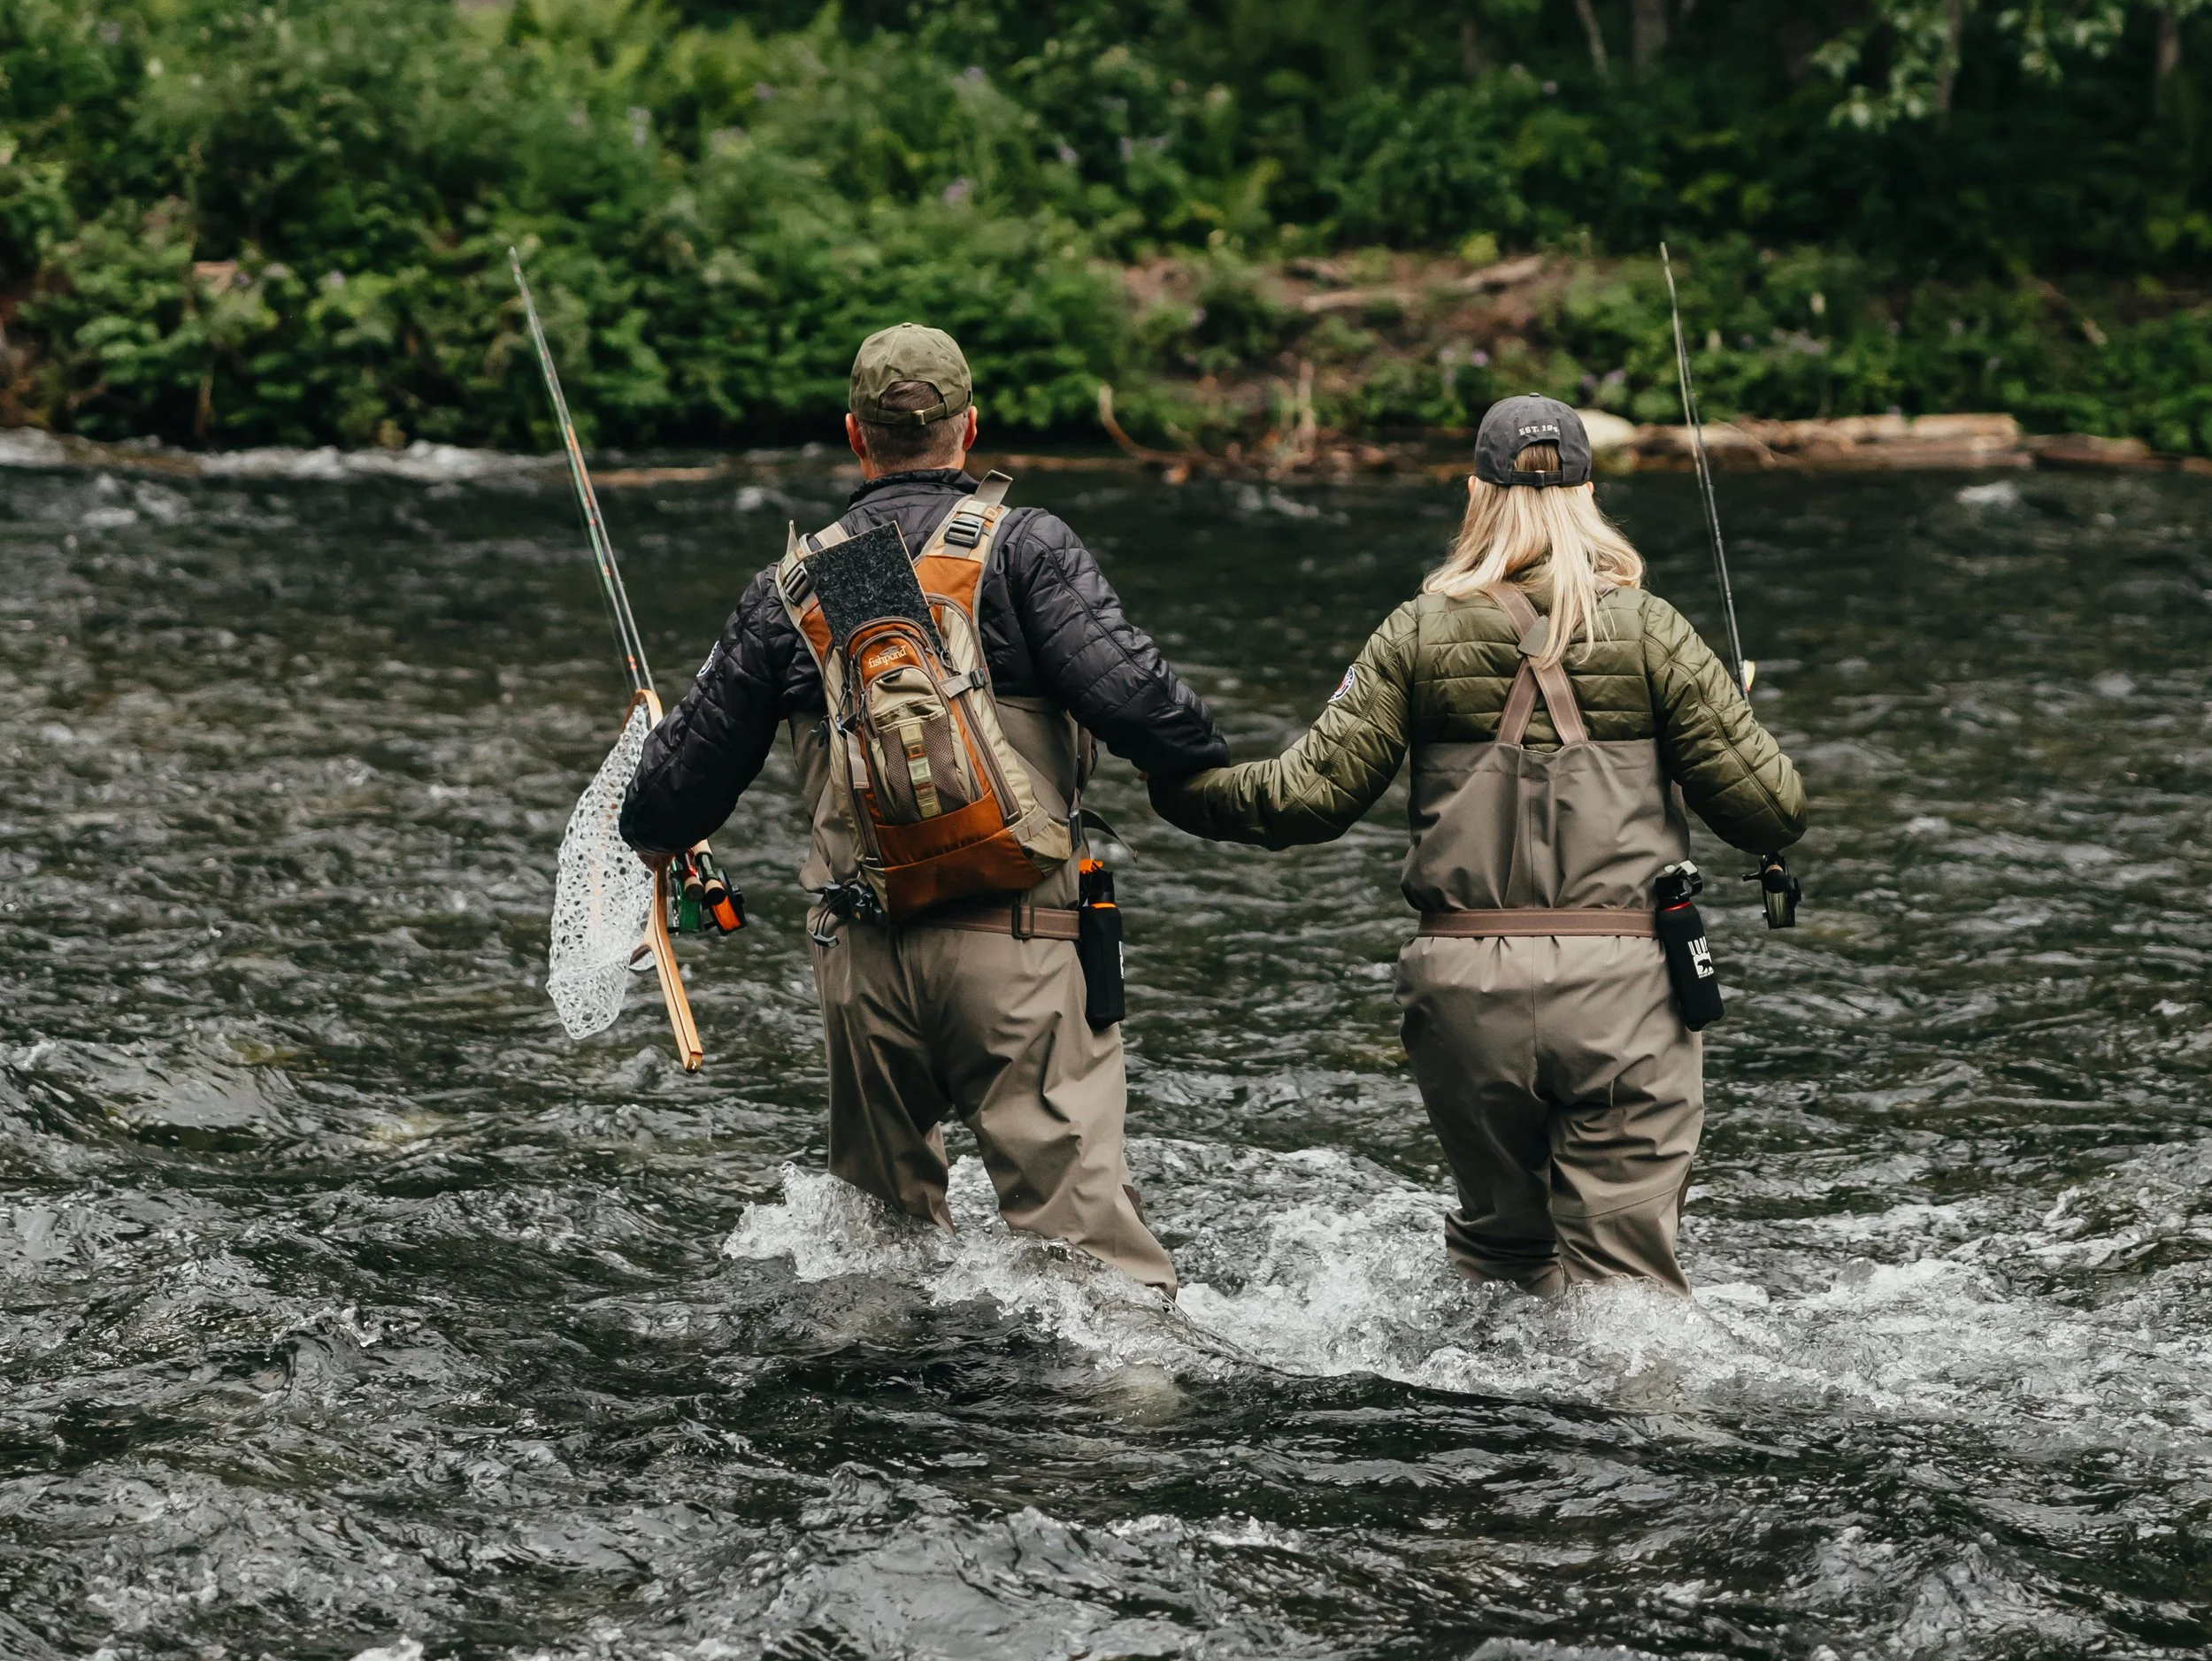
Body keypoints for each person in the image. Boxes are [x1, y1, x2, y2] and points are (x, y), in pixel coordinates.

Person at [1149, 394, 1807, 1295]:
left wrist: (1174, 789)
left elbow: (1301, 802)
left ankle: (1487, 1435)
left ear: (1474, 493)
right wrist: (1728, 722)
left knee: (1502, 1261)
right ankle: (1639, 1433)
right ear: (1586, 492)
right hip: (1622, 992)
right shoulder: (1650, 630)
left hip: (1463, 995)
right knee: (1626, 1285)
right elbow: (1770, 811)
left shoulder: (1418, 632)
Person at [620, 323, 1228, 1290]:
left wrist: (653, 768)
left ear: (855, 437)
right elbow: (1151, 711)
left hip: (863, 961)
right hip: (1017, 944)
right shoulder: (1025, 548)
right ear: (969, 429)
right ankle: (1121, 1431)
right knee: (1090, 1276)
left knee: (876, 1267)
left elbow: (671, 798)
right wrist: (1212, 778)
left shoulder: (796, 583)